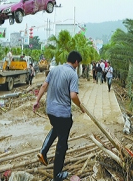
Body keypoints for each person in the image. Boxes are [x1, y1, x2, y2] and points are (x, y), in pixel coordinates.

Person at [33, 51, 85, 181]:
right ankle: (57, 175)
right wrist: (80, 106)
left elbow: (44, 85)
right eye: (78, 64)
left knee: (57, 128)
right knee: (62, 144)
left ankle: (43, 151)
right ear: (76, 62)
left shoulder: (54, 69)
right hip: (63, 113)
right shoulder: (72, 74)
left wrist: (37, 100)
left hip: (50, 110)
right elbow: (73, 95)